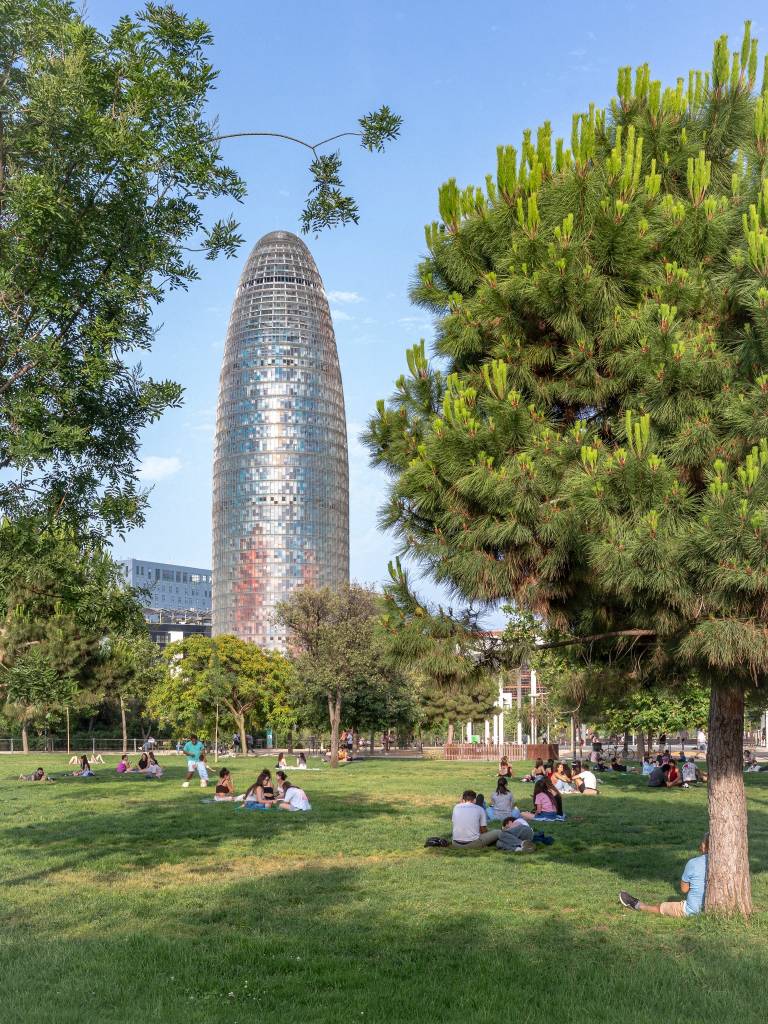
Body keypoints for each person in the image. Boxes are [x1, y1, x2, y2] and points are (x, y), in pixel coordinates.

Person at [620, 835, 709, 916]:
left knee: (661, 908)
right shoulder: (723, 864)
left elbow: (684, 889)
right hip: (715, 910)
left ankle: (636, 904)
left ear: (703, 846)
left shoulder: (693, 863)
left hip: (693, 911)